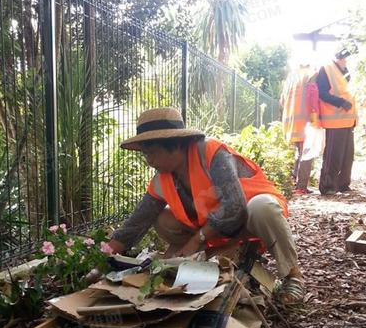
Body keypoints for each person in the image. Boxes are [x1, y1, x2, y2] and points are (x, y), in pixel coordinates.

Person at [108, 107, 305, 305]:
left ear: (175, 145)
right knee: (160, 217)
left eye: (153, 153)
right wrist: (102, 256)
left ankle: (292, 275)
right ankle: (216, 254)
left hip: (249, 220)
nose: (149, 161)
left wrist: (196, 240)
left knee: (263, 207)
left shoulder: (211, 153)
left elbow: (234, 206)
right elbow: (137, 222)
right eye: (146, 155)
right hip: (215, 232)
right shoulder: (161, 180)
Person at [317, 48, 357, 195]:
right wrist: (340, 102)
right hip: (334, 121)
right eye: (346, 58)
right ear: (340, 57)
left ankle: (342, 185)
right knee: (333, 155)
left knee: (347, 155)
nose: (347, 61)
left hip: (348, 120)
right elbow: (321, 92)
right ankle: (327, 187)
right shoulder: (326, 69)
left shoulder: (346, 71)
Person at [280, 64, 321, 195]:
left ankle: (295, 184)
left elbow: (281, 101)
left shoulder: (291, 79)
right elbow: (313, 95)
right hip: (306, 120)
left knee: (299, 152)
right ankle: (301, 186)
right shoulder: (311, 74)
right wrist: (315, 118)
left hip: (291, 121)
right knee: (307, 153)